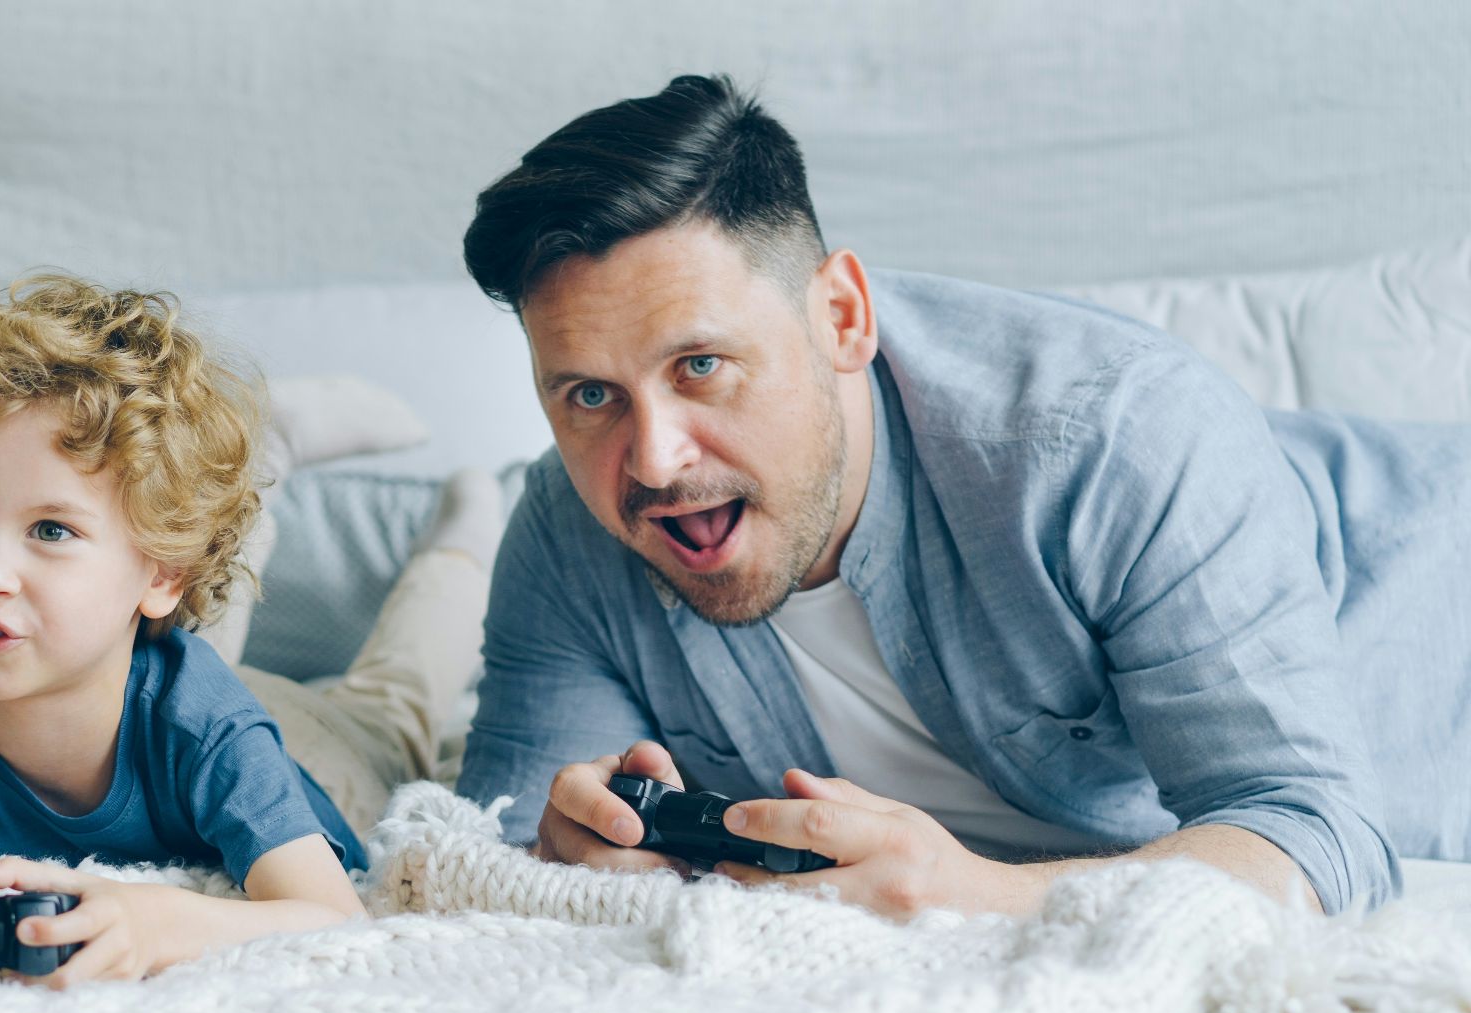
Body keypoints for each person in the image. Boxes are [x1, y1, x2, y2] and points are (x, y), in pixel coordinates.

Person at [453, 74, 1471, 919]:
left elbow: (1317, 832)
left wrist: (977, 897)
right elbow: (495, 851)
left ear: (843, 317)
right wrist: (581, 855)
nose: (656, 462)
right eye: (590, 394)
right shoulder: (567, 524)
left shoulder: (1113, 436)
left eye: (703, 366)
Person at [0, 276, 497, 994]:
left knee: (396, 699)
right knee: (165, 615)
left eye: (49, 528)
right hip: (134, 667)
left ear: (161, 576)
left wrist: (156, 922)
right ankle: (251, 462)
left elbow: (331, 914)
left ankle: (466, 530)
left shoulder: (207, 724)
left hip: (321, 746)